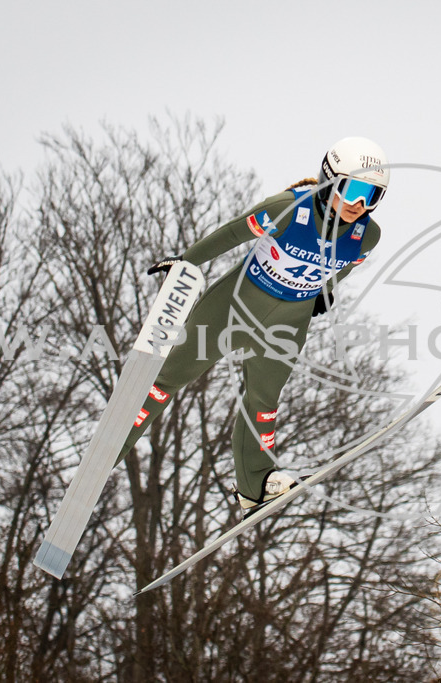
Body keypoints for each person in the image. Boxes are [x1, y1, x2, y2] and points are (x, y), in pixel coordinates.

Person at [116, 137, 388, 511]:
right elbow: (232, 233)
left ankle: (253, 485)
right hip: (234, 305)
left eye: (371, 195)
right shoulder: (288, 210)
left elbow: (341, 266)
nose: (359, 204)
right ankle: (113, 445)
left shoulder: (367, 236)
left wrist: (326, 291)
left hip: (288, 323)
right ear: (329, 179)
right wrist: (187, 262)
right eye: (354, 189)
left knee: (263, 404)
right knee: (169, 379)